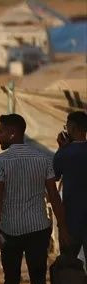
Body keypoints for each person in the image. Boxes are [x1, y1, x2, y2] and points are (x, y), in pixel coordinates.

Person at [0, 114, 70, 284]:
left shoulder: (1, 161)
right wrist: (62, 228)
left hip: (10, 229)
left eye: (1, 131)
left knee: (11, 277)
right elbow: (54, 197)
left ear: (13, 133)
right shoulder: (43, 158)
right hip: (38, 228)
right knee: (37, 277)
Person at [53, 110, 87, 260]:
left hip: (72, 220)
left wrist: (61, 149)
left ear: (72, 129)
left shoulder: (65, 154)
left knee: (69, 263)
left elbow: (54, 175)